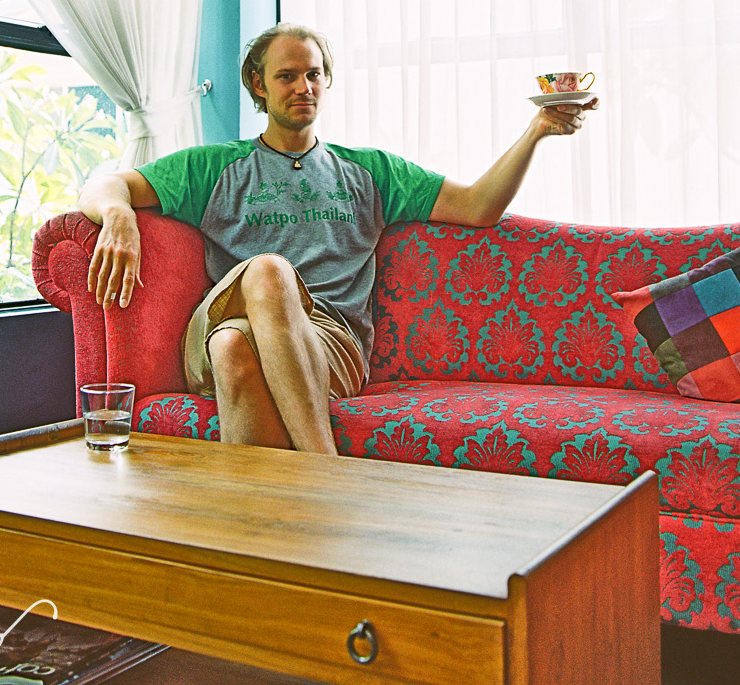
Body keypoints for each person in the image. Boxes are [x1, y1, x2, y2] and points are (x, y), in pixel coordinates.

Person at [78, 24, 597, 455]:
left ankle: (257, 536)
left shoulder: (371, 171)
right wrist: (119, 216)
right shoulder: (215, 167)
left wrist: (537, 130)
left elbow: (478, 207)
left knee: (237, 343)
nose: (303, 87)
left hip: (329, 345)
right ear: (258, 85)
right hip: (219, 324)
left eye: (313, 74)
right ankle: (326, 469)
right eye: (286, 76)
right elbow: (102, 185)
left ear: (326, 81)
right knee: (261, 284)